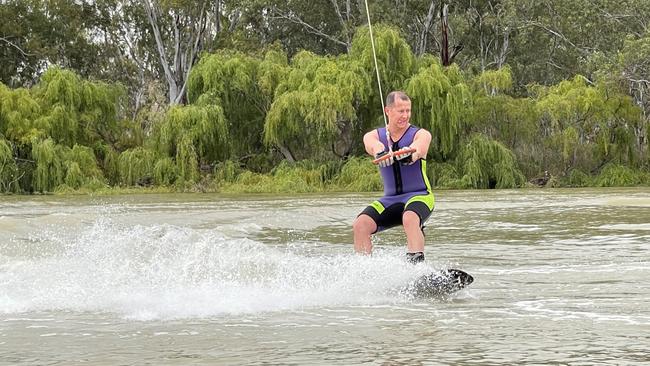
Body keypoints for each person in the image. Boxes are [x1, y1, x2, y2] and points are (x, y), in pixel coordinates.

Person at [352, 91, 434, 263]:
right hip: (389, 200)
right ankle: (363, 271)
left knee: (410, 217)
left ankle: (416, 268)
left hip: (420, 196)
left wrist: (409, 154)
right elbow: (372, 145)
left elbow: (419, 148)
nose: (405, 115)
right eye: (400, 111)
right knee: (360, 224)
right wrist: (379, 151)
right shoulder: (373, 136)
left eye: (408, 111)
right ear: (387, 111)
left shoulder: (421, 134)